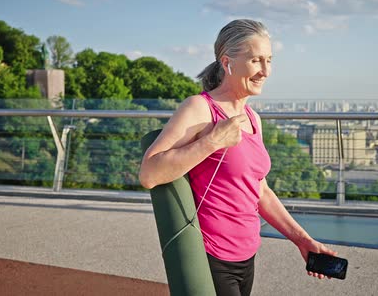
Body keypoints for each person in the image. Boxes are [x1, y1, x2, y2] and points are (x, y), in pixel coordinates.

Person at [139, 19, 337, 296]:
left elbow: (260, 190)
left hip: (246, 255)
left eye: (269, 60)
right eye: (256, 60)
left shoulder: (253, 118)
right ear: (227, 62)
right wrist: (212, 142)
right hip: (211, 256)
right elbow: (149, 173)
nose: (265, 71)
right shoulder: (200, 108)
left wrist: (302, 240)